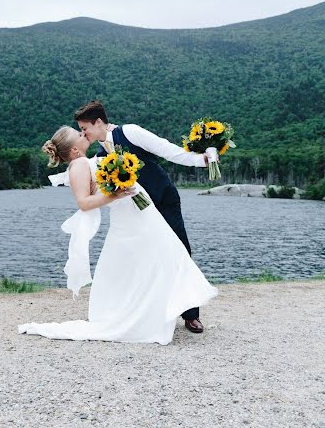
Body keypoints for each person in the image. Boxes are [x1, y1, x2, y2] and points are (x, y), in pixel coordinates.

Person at [18, 125, 217, 345]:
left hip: (138, 215)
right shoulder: (78, 166)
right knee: (161, 257)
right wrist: (115, 195)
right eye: (80, 134)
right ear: (74, 149)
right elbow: (84, 203)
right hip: (129, 221)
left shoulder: (92, 159)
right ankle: (143, 314)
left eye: (83, 130)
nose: (84, 134)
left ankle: (168, 309)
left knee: (165, 255)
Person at [75, 100, 217, 334]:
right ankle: (152, 310)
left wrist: (201, 160)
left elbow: (167, 150)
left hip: (163, 198)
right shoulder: (101, 154)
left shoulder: (130, 132)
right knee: (145, 257)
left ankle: (191, 315)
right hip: (140, 211)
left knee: (180, 249)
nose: (84, 133)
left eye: (85, 128)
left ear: (98, 122)